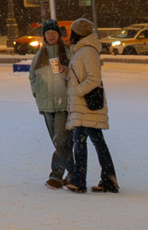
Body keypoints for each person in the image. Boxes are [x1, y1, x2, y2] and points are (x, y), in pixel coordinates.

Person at [64, 18, 118, 194]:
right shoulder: (82, 51)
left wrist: (77, 91)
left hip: (86, 106)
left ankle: (80, 181)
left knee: (80, 142)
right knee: (97, 142)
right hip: (84, 106)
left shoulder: (87, 51)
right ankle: (109, 180)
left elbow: (94, 78)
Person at [27, 22, 73, 188]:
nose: (51, 35)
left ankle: (56, 175)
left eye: (53, 32)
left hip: (63, 104)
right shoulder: (39, 55)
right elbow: (32, 77)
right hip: (46, 104)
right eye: (48, 33)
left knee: (61, 140)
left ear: (58, 35)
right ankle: (74, 172)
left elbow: (75, 77)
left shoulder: (68, 54)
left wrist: (63, 70)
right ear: (44, 36)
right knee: (59, 142)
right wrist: (36, 92)